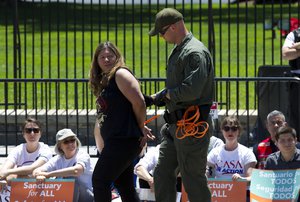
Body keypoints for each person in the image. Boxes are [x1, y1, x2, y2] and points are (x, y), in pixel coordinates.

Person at [148, 7, 215, 202]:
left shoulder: (195, 52)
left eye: (162, 31)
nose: (161, 37)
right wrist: (158, 96)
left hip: (192, 127)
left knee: (192, 179)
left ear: (175, 26)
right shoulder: (180, 50)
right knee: (161, 172)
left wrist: (166, 94)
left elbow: (191, 90)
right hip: (175, 126)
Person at [88, 41, 154, 202]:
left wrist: (140, 128)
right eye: (102, 57)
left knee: (100, 180)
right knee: (124, 185)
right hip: (116, 141)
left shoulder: (120, 74)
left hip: (123, 140)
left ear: (117, 57)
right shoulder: (105, 81)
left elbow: (139, 103)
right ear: (96, 61)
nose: (106, 60)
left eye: (110, 56)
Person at [33, 128, 94, 201]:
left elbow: (76, 171)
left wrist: (48, 175)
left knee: (70, 179)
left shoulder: (82, 155)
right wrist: (40, 175)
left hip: (86, 197)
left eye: (72, 140)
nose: (70, 143)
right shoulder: (57, 159)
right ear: (60, 146)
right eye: (66, 142)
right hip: (66, 196)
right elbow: (36, 171)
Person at [0, 117, 52, 183]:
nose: (32, 133)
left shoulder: (45, 150)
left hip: (40, 188)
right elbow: (5, 168)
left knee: (40, 176)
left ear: (40, 134)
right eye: (28, 130)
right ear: (23, 134)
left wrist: (10, 173)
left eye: (36, 130)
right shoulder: (18, 150)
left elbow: (32, 168)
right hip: (19, 188)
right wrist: (6, 173)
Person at [206, 116, 257, 182]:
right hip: (220, 190)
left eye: (234, 128)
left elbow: (251, 178)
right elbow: (207, 173)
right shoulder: (214, 153)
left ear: (238, 131)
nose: (230, 131)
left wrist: (241, 179)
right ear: (222, 131)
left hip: (241, 190)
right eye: (226, 128)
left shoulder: (247, 153)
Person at [282, 28, 300, 137]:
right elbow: (286, 54)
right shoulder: (293, 34)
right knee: (296, 117)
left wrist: (296, 48)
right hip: (297, 82)